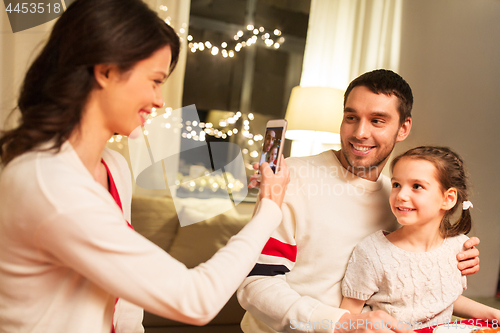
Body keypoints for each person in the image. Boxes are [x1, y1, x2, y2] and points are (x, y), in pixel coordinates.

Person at [0, 0, 290, 332]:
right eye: (154, 81)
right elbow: (196, 299)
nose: (160, 100)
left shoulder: (113, 167)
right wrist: (269, 207)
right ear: (106, 70)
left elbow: (123, 303)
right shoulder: (49, 183)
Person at [237, 69, 481, 333]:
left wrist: (450, 254)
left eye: (377, 121)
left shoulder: (398, 200)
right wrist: (341, 322)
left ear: (403, 128)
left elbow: (407, 279)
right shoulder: (290, 178)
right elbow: (255, 283)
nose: (360, 132)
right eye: (351, 117)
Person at [340, 146, 500, 328]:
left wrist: (494, 314)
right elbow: (348, 317)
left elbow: (442, 301)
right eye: (396, 185)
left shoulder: (459, 247)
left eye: (417, 186)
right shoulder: (372, 252)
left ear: (448, 199)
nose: (401, 195)